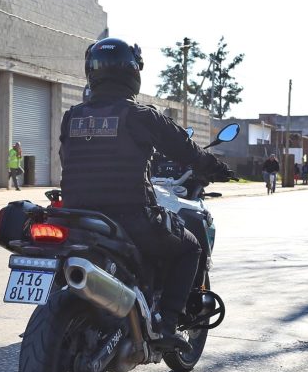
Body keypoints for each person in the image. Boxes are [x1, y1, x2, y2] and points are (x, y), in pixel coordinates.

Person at [60, 37, 231, 353]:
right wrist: (216, 168)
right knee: (189, 250)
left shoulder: (73, 116)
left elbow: (66, 159)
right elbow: (186, 149)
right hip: (131, 216)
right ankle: (166, 326)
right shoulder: (140, 115)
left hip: (78, 217)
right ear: (131, 72)